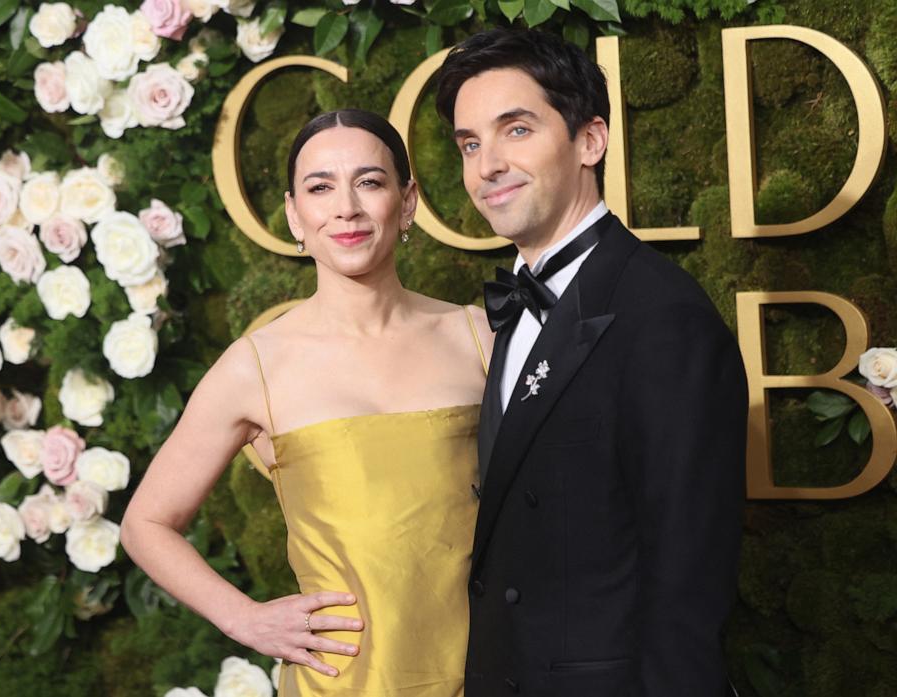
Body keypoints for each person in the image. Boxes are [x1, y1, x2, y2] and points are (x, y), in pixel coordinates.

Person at [120, 108, 493, 696]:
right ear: (295, 215)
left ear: (408, 201)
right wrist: (245, 618)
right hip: (342, 682)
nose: (346, 207)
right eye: (320, 188)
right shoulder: (256, 365)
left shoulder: (478, 337)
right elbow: (145, 524)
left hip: (492, 669)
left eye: (369, 182)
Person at [435, 28, 749, 697]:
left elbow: (688, 583)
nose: (487, 164)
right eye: (470, 143)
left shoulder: (664, 316)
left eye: (515, 130)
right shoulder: (512, 303)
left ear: (590, 140)